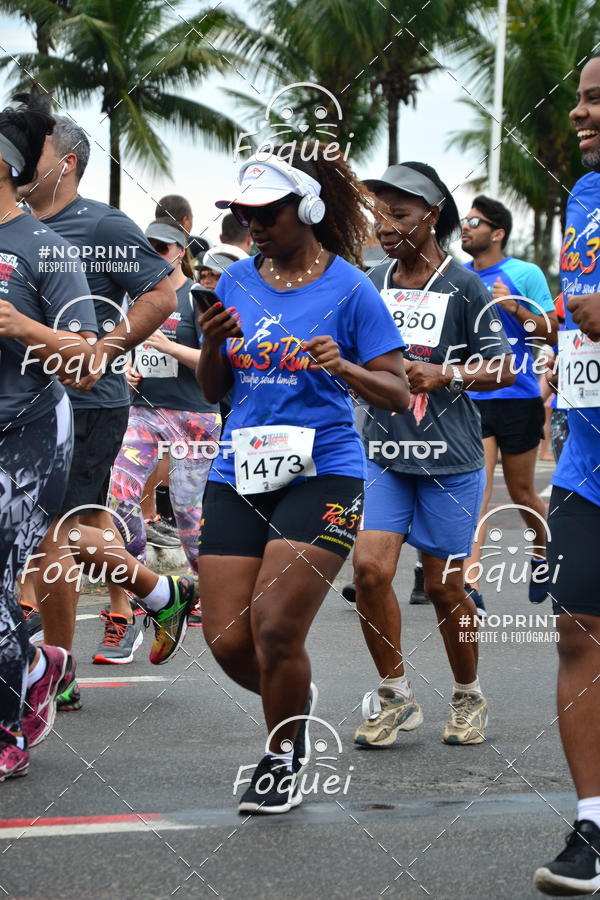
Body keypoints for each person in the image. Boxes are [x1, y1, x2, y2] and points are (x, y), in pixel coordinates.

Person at [197, 143, 409, 814]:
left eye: (267, 214)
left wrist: (344, 367)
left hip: (325, 474)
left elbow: (399, 393)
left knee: (275, 630)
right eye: (244, 214)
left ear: (306, 209)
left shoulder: (350, 287)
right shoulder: (235, 281)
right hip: (239, 469)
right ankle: (293, 694)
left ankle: (280, 753)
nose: (254, 226)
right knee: (229, 641)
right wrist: (210, 341)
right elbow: (214, 389)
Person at [15, 100, 191, 709]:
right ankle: (161, 595)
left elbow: (163, 294)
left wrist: (103, 350)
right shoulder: (13, 226)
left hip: (88, 405)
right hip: (26, 406)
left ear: (65, 163)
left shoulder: (103, 225)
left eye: (28, 150)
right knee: (81, 528)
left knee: (52, 535)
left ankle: (56, 672)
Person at [351, 162, 514, 749]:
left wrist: (445, 372)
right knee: (370, 570)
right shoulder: (372, 281)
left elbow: (502, 366)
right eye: (380, 213)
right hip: (384, 452)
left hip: (451, 459)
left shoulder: (466, 285)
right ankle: (395, 695)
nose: (385, 224)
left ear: (432, 216)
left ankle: (468, 693)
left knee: (445, 587)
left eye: (399, 213)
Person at [0, 101, 98, 779]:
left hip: (28, 431)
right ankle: (37, 661)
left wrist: (22, 328)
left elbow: (88, 365)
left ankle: (7, 727)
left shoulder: (46, 251)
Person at [534, 53, 600, 896]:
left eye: (597, 101)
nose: (581, 113)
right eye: (582, 98)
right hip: (586, 460)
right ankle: (593, 823)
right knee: (576, 630)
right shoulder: (584, 199)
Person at [102, 219, 221, 660]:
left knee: (190, 517)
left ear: (181, 249)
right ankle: (135, 582)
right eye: (147, 245)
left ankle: (201, 590)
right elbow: (118, 348)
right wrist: (125, 370)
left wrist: (169, 348)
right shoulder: (137, 298)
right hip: (143, 412)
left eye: (163, 246)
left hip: (194, 418)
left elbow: (218, 363)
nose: (154, 251)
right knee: (118, 496)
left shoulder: (198, 297)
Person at [461, 197, 557, 609]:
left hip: (518, 397)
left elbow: (550, 331)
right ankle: (471, 586)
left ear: (497, 233)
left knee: (521, 492)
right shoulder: (459, 278)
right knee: (477, 491)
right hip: (473, 396)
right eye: (464, 221)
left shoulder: (525, 273)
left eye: (474, 222)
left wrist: (514, 307)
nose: (465, 227)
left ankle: (541, 554)